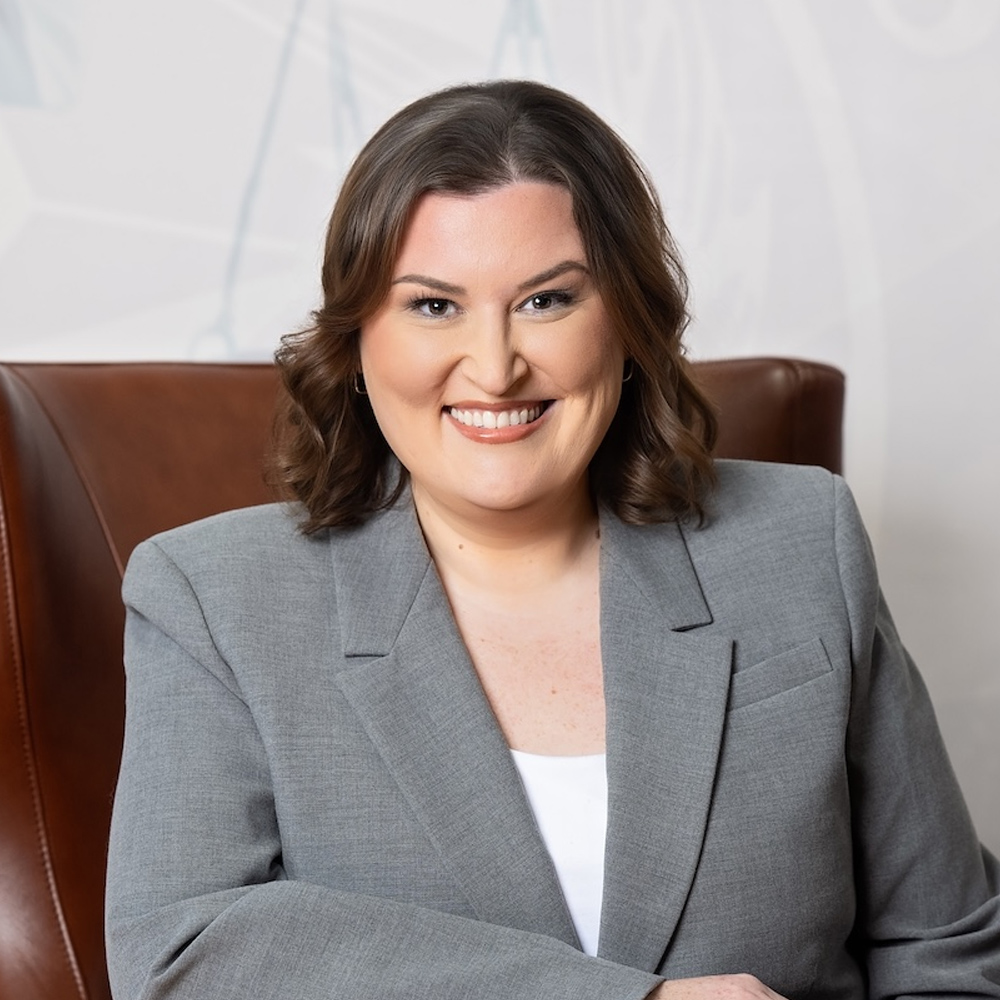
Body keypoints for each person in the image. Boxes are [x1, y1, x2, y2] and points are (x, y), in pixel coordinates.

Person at [105, 80, 1000, 1000]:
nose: (494, 369)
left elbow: (946, 951)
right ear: (358, 341)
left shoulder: (804, 542)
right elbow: (181, 949)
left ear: (628, 323)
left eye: (545, 301)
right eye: (433, 306)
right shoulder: (212, 597)